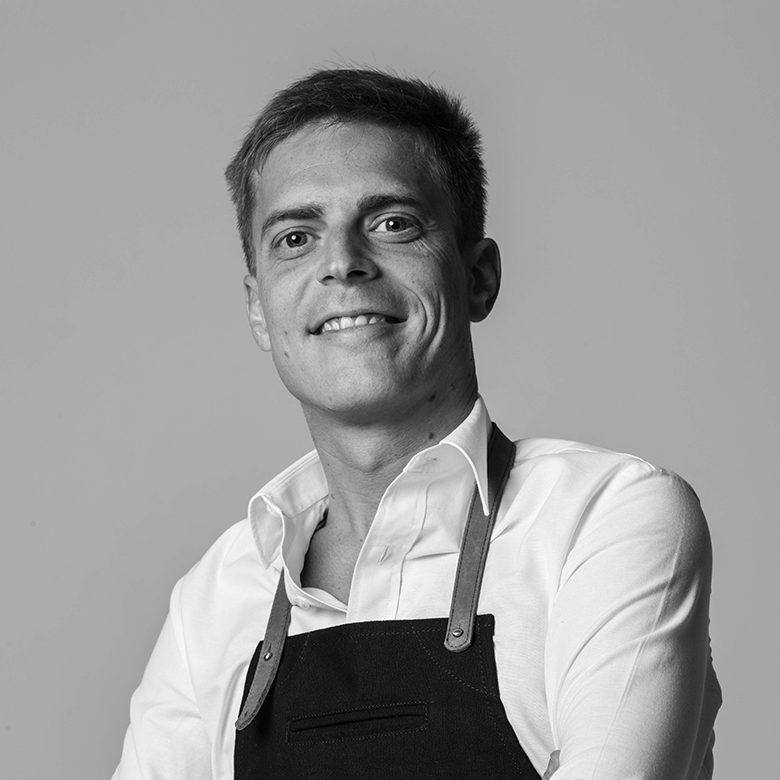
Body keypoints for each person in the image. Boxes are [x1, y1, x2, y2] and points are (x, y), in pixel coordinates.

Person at [112, 68, 721, 780]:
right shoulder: (214, 598)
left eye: (392, 223)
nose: (342, 264)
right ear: (258, 309)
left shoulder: (605, 519)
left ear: (478, 277)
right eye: (296, 237)